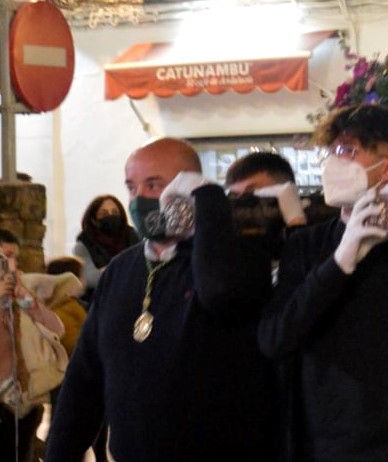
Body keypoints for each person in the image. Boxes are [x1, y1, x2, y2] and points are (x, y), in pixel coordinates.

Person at [258, 104, 388, 460]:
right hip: (328, 443)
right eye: (330, 152)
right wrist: (343, 258)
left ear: (387, 167)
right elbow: (275, 337)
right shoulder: (308, 243)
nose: (333, 163)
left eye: (347, 152)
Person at [46, 137, 278, 462]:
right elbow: (85, 378)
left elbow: (222, 294)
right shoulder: (120, 270)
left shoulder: (230, 260)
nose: (139, 199)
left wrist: (208, 205)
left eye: (153, 185)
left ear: (189, 188)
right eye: (132, 187)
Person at [0, 230, 66, 462]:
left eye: (15, 257)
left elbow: (57, 329)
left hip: (23, 396)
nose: (12, 263)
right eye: (6, 256)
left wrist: (28, 301)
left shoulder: (22, 288)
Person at [71, 194, 137, 302]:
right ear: (94, 219)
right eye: (104, 213)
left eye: (115, 212)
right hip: (98, 301)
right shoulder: (83, 244)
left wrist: (106, 270)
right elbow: (91, 278)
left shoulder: (132, 236)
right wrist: (125, 269)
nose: (110, 216)